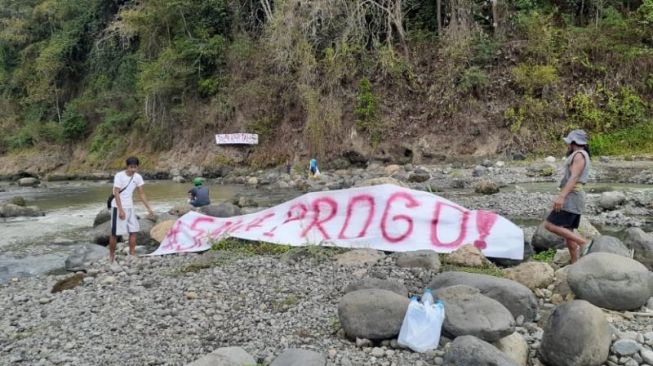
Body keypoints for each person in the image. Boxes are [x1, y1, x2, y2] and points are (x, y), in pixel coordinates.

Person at [543, 129, 593, 264]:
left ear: (574, 142)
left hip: (572, 196)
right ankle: (575, 263)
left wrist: (561, 197)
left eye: (569, 142)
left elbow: (574, 177)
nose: (568, 145)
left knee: (549, 225)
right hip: (575, 196)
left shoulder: (579, 155)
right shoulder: (581, 154)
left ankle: (584, 242)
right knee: (568, 232)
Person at [109, 156, 155, 262]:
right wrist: (120, 210)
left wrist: (149, 209)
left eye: (135, 167)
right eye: (131, 167)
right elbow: (116, 192)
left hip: (130, 206)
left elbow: (142, 193)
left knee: (133, 231)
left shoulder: (138, 177)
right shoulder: (119, 176)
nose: (133, 169)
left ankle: (132, 253)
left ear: (137, 167)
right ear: (127, 166)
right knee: (115, 233)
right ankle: (111, 256)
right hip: (117, 206)